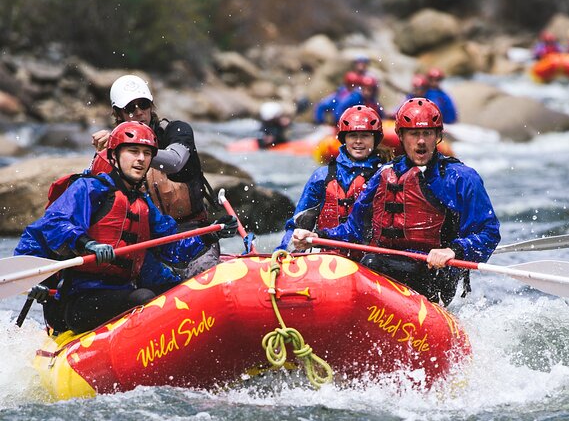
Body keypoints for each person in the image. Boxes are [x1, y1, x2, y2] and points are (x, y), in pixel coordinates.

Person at [15, 122, 237, 334]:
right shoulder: (89, 188)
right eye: (133, 151)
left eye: (147, 153)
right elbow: (53, 224)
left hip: (122, 290)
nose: (141, 159)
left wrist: (211, 234)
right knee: (144, 298)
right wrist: (87, 244)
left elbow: (173, 248)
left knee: (183, 292)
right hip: (79, 299)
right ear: (114, 156)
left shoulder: (143, 205)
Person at [292, 98, 500, 306]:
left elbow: (489, 233)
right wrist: (317, 236)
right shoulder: (385, 174)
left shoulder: (461, 178)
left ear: (438, 136)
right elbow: (353, 230)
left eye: (427, 133)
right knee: (368, 263)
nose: (420, 141)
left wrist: (454, 250)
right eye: (413, 134)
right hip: (384, 268)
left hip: (433, 274)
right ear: (400, 136)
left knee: (374, 263)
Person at [91, 74, 219, 279]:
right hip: (146, 244)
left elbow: (176, 161)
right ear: (118, 113)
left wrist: (131, 147)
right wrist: (106, 153)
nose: (139, 112)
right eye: (130, 108)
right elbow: (95, 192)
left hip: (193, 237)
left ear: (151, 106)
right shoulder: (115, 152)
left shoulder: (177, 130)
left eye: (143, 104)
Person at [278, 105, 388, 253]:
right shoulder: (322, 176)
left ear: (375, 139)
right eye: (353, 136)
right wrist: (282, 252)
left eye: (365, 136)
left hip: (367, 260)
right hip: (326, 257)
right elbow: (297, 226)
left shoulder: (385, 176)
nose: (358, 141)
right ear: (344, 139)